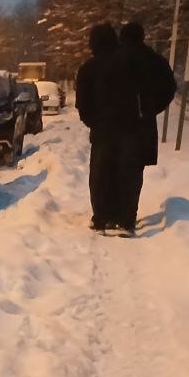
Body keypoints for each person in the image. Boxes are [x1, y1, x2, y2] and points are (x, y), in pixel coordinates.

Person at [76, 23, 141, 233]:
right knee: (126, 173)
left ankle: (102, 217)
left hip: (103, 129)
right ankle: (126, 219)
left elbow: (83, 104)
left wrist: (93, 121)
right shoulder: (131, 63)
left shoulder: (88, 69)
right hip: (129, 126)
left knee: (100, 174)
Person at [119, 21, 178, 170]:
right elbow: (169, 88)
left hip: (114, 128)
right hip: (144, 125)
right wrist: (150, 108)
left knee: (112, 173)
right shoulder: (155, 60)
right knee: (135, 172)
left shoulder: (113, 59)